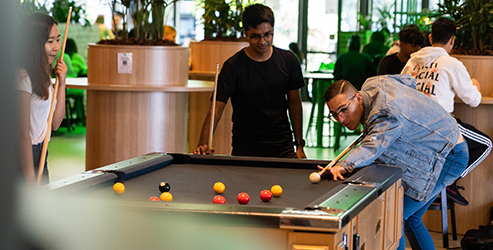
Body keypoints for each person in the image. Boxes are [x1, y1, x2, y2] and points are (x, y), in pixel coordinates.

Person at [322, 76, 468, 250]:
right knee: (411, 219)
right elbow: (409, 81)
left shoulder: (384, 113)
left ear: (359, 98)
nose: (340, 119)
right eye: (334, 114)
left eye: (344, 110)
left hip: (449, 155)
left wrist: (344, 165)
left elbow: (372, 147)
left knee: (395, 220)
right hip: (440, 146)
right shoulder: (372, 83)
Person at [193, 4, 306, 159]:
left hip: (283, 147)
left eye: (268, 34)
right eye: (255, 36)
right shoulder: (232, 67)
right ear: (245, 33)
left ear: (273, 30)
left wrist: (299, 145)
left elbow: (295, 104)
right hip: (245, 149)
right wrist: (202, 145)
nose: (263, 41)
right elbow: (215, 110)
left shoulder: (289, 60)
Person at [401, 17, 493, 207]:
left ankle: (443, 179)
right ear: (452, 40)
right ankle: (448, 182)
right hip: (439, 125)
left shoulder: (412, 63)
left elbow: (400, 91)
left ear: (430, 37)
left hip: (412, 130)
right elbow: (473, 100)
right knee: (486, 144)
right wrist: (475, 86)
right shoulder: (451, 64)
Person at [17, 13, 67, 185]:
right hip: (24, 158)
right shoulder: (24, 78)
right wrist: (30, 181)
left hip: (41, 153)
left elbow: (55, 124)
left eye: (58, 40)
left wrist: (62, 84)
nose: (56, 47)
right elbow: (21, 133)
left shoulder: (45, 76)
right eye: (50, 41)